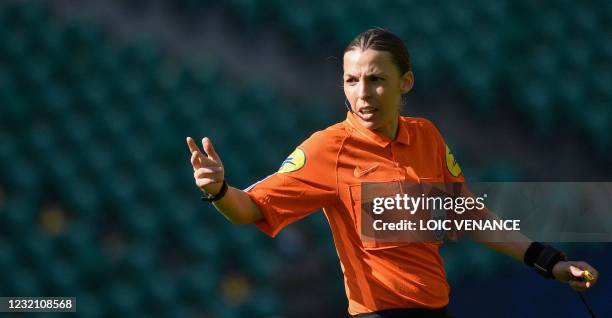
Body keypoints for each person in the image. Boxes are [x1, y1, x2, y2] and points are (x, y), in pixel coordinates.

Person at [186, 28, 599, 317]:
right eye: (351, 80)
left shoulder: (427, 136)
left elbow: (468, 216)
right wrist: (219, 189)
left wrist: (548, 261)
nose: (362, 93)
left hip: (439, 309)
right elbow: (250, 210)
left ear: (406, 83)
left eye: (376, 79)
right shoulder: (327, 149)